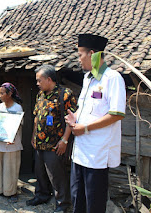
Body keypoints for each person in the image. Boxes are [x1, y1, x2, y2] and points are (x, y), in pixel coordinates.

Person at [65, 34, 126, 213]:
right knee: (77, 198)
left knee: (94, 202)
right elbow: (84, 108)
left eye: (80, 55)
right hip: (80, 151)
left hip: (97, 154)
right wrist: (74, 117)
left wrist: (85, 127)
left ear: (92, 54)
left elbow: (116, 114)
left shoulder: (112, 78)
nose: (79, 59)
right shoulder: (88, 78)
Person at [26, 65, 77, 213]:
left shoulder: (65, 94)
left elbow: (71, 119)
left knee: (56, 175)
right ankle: (42, 195)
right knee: (39, 171)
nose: (37, 83)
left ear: (49, 79)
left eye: (39, 80)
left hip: (55, 144)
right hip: (39, 143)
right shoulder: (40, 95)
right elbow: (37, 117)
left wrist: (65, 140)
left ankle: (63, 203)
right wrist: (33, 136)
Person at [0, 82, 23, 203]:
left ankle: (11, 191)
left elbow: (17, 125)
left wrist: (13, 137)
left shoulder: (17, 108)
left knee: (10, 167)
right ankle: (1, 189)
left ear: (9, 94)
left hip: (11, 144)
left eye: (2, 93)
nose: (0, 95)